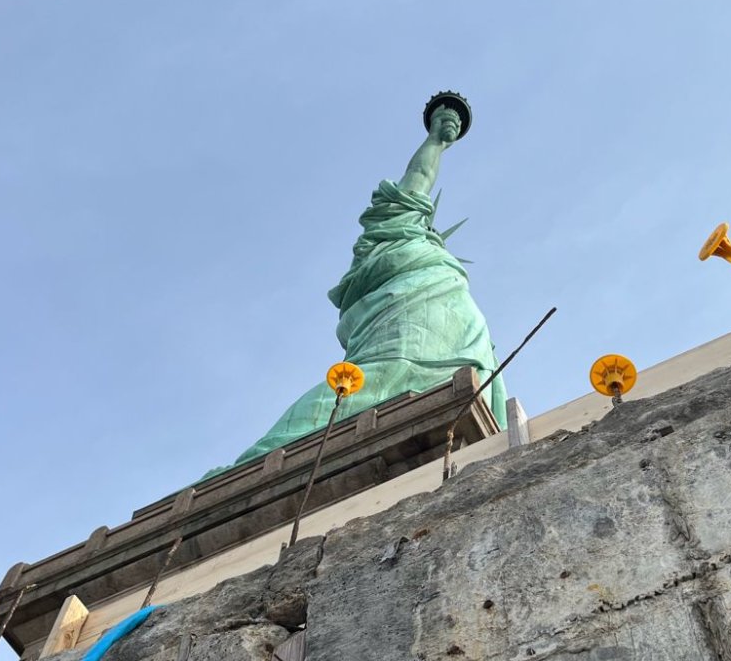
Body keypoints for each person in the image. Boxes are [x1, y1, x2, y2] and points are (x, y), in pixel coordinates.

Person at [203, 96, 506, 478]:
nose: (431, 232)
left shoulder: (434, 258)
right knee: (375, 374)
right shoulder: (394, 231)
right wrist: (437, 140)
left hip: (456, 322)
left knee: (466, 365)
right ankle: (274, 452)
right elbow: (419, 178)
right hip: (396, 314)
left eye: (433, 233)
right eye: (426, 225)